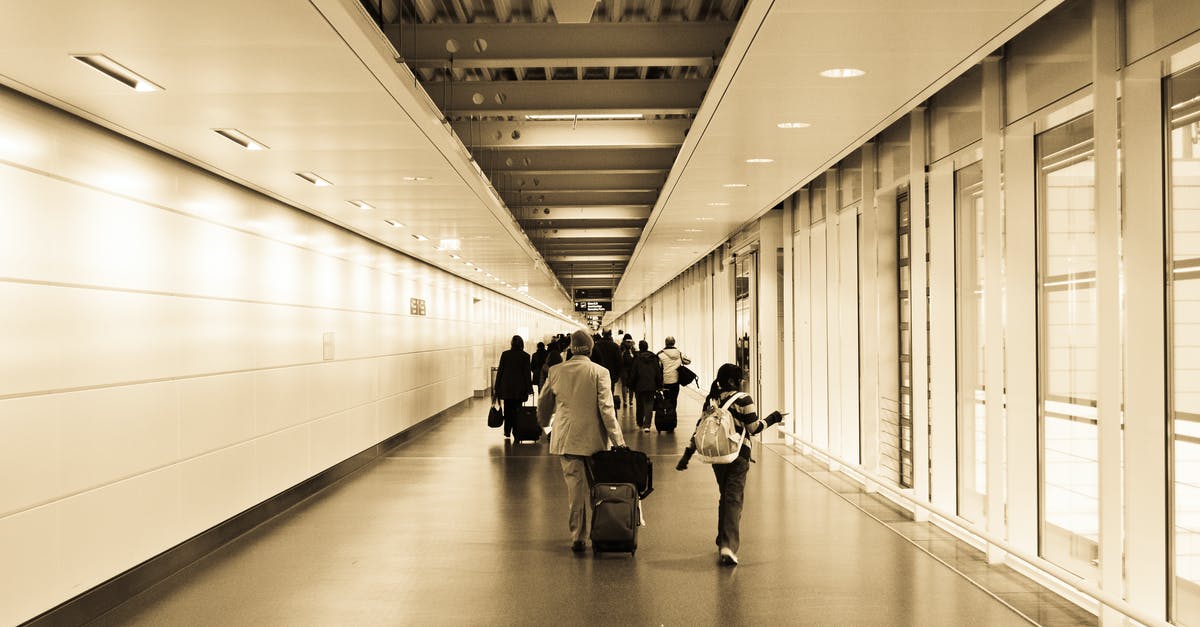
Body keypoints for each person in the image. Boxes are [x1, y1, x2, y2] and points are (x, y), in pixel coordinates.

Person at [676, 363, 784, 567]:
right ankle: (728, 546)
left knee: (725, 496)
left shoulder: (712, 400)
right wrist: (773, 418)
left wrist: (687, 455)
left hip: (718, 458)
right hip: (738, 456)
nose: (743, 382)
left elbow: (700, 428)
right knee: (734, 499)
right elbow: (753, 428)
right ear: (734, 381)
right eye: (741, 379)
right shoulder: (744, 399)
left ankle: (722, 539)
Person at [537, 330, 626, 553]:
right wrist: (618, 441)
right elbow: (607, 409)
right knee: (598, 488)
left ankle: (578, 536)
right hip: (594, 439)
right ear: (591, 347)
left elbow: (544, 403)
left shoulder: (556, 371)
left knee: (574, 491)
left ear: (570, 348)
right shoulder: (600, 372)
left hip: (566, 439)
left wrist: (546, 425)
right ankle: (600, 531)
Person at [493, 335, 533, 439]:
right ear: (522, 344)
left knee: (507, 409)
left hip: (507, 388)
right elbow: (527, 374)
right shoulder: (525, 356)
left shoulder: (505, 355)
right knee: (518, 410)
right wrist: (529, 389)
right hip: (520, 389)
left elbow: (500, 372)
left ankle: (507, 431)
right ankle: (516, 431)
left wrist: (496, 387)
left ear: (511, 344)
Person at [629, 340, 663, 433]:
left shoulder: (637, 359)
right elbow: (658, 373)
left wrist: (631, 385)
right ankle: (647, 425)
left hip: (639, 385)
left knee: (639, 404)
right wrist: (659, 385)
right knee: (649, 404)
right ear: (647, 347)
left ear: (640, 347)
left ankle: (640, 422)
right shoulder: (654, 358)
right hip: (651, 385)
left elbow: (633, 373)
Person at [657, 336, 691, 421]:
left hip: (664, 382)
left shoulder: (660, 354)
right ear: (674, 343)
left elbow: (657, 368)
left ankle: (665, 416)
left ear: (665, 343)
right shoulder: (679, 353)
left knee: (665, 400)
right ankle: (672, 417)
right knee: (674, 400)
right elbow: (688, 361)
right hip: (675, 381)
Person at [591, 329, 623, 394]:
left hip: (598, 374)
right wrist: (617, 376)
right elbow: (619, 362)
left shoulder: (596, 346)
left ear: (602, 334)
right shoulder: (615, 346)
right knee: (610, 393)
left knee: (598, 392)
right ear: (611, 335)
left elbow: (592, 361)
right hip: (611, 375)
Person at [619, 334, 636, 416]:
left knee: (624, 385)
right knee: (631, 385)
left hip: (623, 369)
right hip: (632, 369)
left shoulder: (621, 347)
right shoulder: (633, 348)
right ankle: (631, 401)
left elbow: (619, 358)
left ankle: (625, 401)